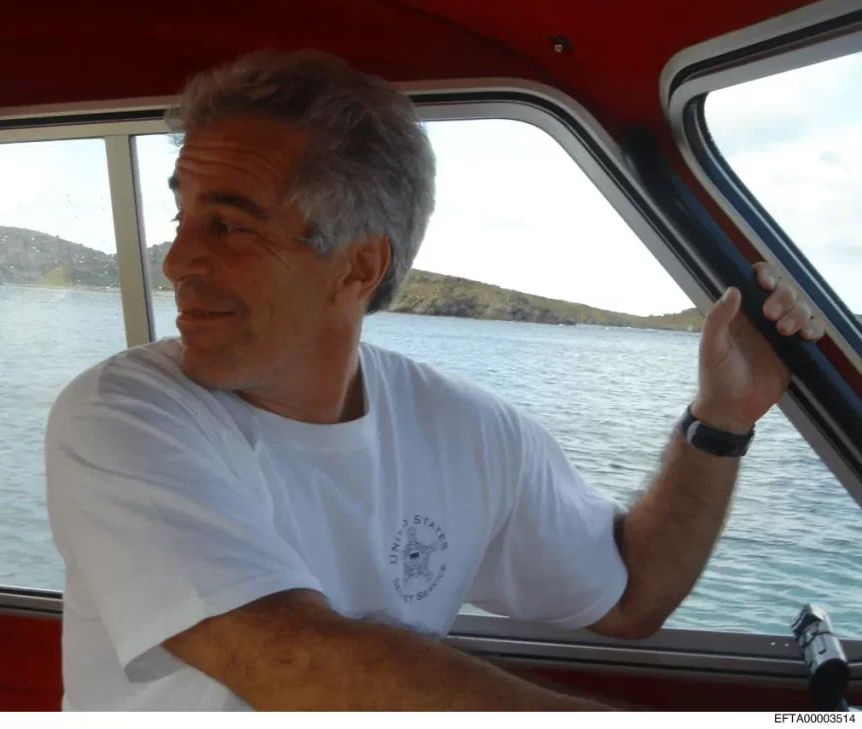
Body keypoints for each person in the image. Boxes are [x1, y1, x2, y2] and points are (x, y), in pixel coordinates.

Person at [45, 50, 825, 711]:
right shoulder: (122, 417)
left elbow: (628, 597)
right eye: (181, 219)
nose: (178, 261)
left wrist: (722, 418)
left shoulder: (471, 434)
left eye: (228, 225)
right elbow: (290, 661)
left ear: (359, 264)